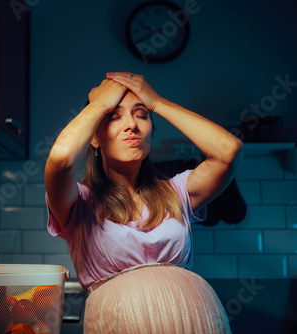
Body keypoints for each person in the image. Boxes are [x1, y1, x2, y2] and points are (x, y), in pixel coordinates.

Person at [44, 71, 243, 333]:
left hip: (199, 322)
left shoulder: (177, 192)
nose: (132, 125)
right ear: (94, 137)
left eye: (141, 114)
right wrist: (100, 104)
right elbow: (61, 159)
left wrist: (158, 102)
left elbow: (229, 150)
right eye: (114, 117)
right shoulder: (79, 202)